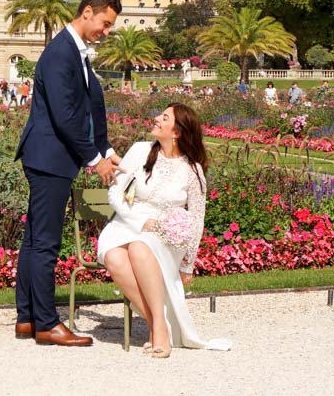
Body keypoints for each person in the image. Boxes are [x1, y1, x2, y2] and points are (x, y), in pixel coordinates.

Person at [14, 0, 123, 347]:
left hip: (50, 156)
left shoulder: (77, 52)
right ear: (88, 11)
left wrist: (106, 147)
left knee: (34, 241)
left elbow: (90, 106)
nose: (106, 32)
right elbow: (65, 117)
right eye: (105, 24)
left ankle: (28, 318)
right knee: (45, 243)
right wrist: (96, 161)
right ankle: (46, 323)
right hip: (50, 158)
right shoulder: (62, 52)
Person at [99, 103, 233, 357]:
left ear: (177, 132)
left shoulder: (192, 171)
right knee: (114, 257)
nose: (156, 119)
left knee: (139, 248)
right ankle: (158, 325)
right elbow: (116, 194)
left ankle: (159, 330)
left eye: (164, 117)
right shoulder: (140, 151)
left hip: (163, 236)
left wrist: (187, 265)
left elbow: (197, 219)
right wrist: (138, 222)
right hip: (127, 223)